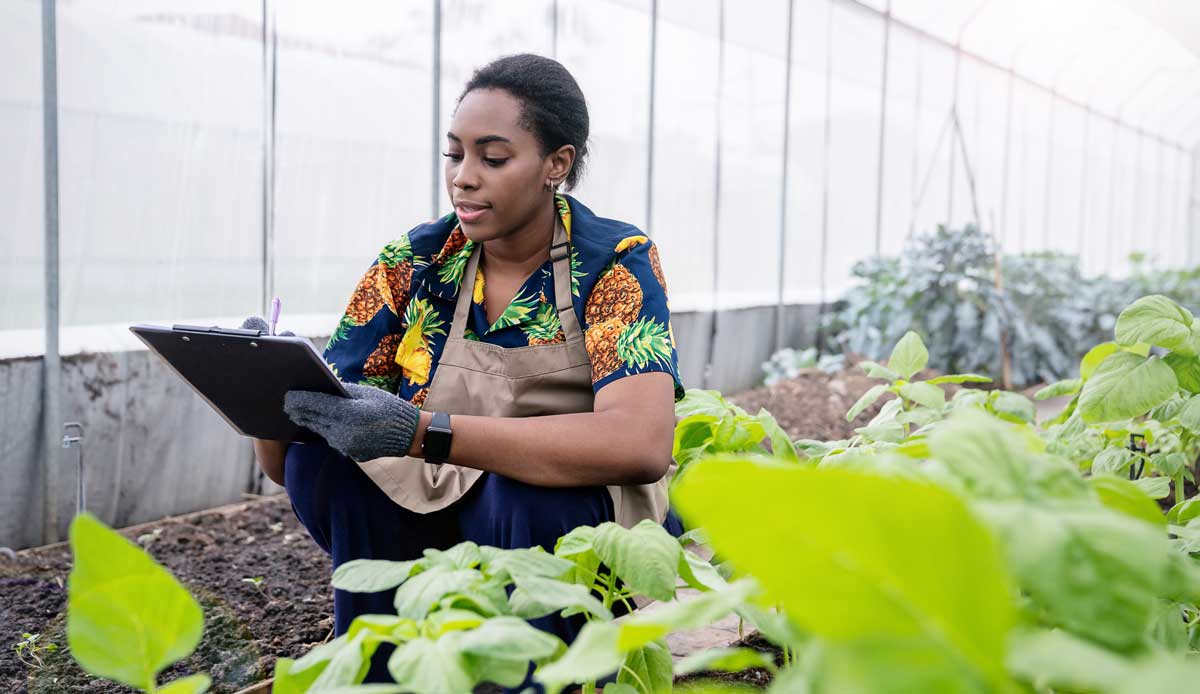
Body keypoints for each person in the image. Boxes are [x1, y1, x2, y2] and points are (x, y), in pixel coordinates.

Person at [247, 53, 684, 687]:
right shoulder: (416, 261)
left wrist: (420, 432)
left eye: (493, 158)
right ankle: (382, 670)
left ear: (556, 165)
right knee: (323, 462)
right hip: (434, 513)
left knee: (525, 494)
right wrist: (269, 393)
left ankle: (539, 676)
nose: (464, 179)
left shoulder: (612, 263)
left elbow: (641, 445)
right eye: (455, 156)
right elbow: (288, 462)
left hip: (561, 524)